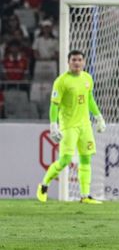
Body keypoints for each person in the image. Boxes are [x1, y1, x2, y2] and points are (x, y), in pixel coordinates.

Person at [36, 50, 106, 203]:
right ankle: (44, 185)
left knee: (86, 158)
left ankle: (85, 196)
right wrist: (53, 125)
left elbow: (90, 100)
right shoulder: (61, 81)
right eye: (74, 60)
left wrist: (99, 117)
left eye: (80, 59)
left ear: (84, 62)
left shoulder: (87, 78)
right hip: (68, 126)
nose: (77, 62)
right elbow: (54, 106)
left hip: (85, 126)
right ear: (68, 62)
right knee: (65, 160)